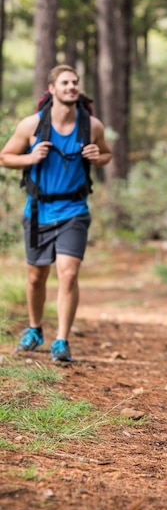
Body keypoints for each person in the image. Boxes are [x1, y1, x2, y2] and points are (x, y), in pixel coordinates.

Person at [0, 64, 112, 363]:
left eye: (74, 82)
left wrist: (96, 156)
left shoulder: (92, 125)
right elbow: (5, 157)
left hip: (74, 210)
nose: (71, 87)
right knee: (37, 277)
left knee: (68, 273)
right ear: (52, 89)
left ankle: (61, 340)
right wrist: (30, 156)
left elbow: (107, 154)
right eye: (65, 83)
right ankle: (35, 329)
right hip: (38, 211)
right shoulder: (31, 125)